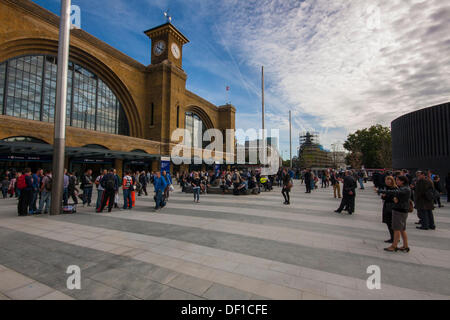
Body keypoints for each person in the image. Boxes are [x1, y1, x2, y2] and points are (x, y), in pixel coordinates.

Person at [379, 175, 411, 253]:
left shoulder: (405, 189)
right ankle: (405, 246)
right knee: (402, 229)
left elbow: (394, 192)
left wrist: (382, 191)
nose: (396, 182)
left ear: (402, 181)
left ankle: (394, 246)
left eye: (398, 180)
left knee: (396, 229)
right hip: (402, 209)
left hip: (399, 210)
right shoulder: (405, 188)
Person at [380, 176, 397, 243]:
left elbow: (391, 198)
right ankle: (394, 237)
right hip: (387, 206)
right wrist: (383, 196)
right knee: (389, 223)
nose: (387, 182)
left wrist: (385, 196)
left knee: (391, 223)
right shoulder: (387, 188)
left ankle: (394, 238)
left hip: (391, 207)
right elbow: (384, 197)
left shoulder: (394, 188)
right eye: (386, 180)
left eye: (388, 180)